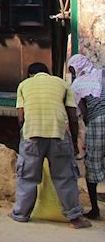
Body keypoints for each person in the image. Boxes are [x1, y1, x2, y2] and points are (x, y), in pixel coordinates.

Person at [10, 62, 91, 228]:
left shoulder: (24, 85)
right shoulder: (62, 83)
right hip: (58, 135)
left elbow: (20, 117)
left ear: (30, 74)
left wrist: (26, 134)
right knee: (65, 177)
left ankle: (21, 214)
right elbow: (73, 118)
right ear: (48, 73)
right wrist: (74, 142)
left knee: (27, 177)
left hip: (32, 135)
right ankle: (75, 218)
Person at [69, 54, 105, 219]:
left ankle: (95, 210)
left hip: (98, 122)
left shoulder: (78, 84)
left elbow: (82, 112)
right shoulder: (101, 73)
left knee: (93, 164)